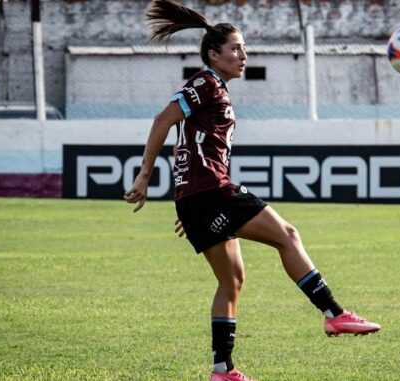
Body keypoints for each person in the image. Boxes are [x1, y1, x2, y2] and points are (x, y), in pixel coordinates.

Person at [123, 1, 380, 380]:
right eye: (236, 48)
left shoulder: (215, 89)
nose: (244, 55)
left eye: (243, 48)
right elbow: (164, 119)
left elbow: (187, 145)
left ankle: (222, 370)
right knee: (288, 235)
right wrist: (145, 177)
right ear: (214, 54)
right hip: (211, 193)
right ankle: (334, 315)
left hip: (200, 199)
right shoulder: (205, 83)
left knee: (232, 281)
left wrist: (188, 203)